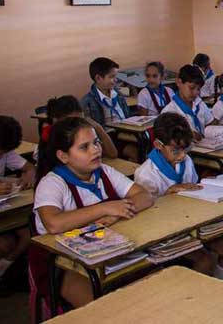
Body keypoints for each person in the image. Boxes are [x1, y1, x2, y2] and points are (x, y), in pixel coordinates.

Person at [31, 117, 153, 308]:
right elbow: (53, 223)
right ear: (63, 156)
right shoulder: (52, 183)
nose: (96, 149)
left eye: (96, 142)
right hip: (63, 265)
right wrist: (104, 208)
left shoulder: (104, 172)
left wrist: (115, 214)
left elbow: (144, 196)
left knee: (147, 288)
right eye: (84, 147)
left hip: (107, 249)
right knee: (105, 310)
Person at [134, 113, 223, 280]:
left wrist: (207, 186)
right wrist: (167, 194)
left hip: (193, 222)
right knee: (205, 261)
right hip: (167, 233)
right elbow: (146, 217)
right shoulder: (146, 174)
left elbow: (194, 188)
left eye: (185, 148)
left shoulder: (186, 161)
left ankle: (219, 282)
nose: (182, 155)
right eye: (176, 150)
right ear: (158, 145)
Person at [0, 116, 35, 285]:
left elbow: (29, 167)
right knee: (6, 244)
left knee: (29, 234)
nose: (2, 155)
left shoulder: (5, 151)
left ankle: (4, 268)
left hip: (6, 209)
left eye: (3, 153)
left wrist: (28, 175)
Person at [162, 65, 214, 140]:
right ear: (179, 82)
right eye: (192, 88)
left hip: (205, 147)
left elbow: (210, 124)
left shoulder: (199, 103)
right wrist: (189, 135)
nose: (196, 92)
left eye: (198, 89)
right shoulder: (169, 112)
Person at [80, 57, 129, 126]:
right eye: (112, 77)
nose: (116, 80)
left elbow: (128, 117)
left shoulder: (118, 95)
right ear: (98, 78)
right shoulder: (87, 102)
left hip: (127, 131)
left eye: (116, 76)